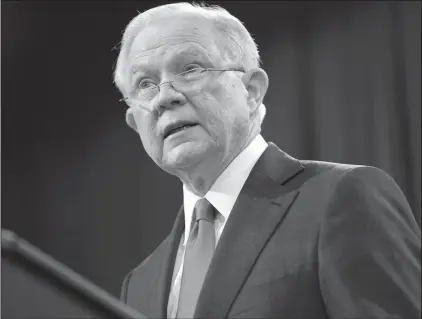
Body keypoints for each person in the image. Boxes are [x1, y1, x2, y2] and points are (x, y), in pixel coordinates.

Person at [113, 2, 421, 318]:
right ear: (135, 123)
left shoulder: (342, 199)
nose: (165, 97)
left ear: (252, 91)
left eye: (190, 68)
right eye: (145, 84)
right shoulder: (139, 286)